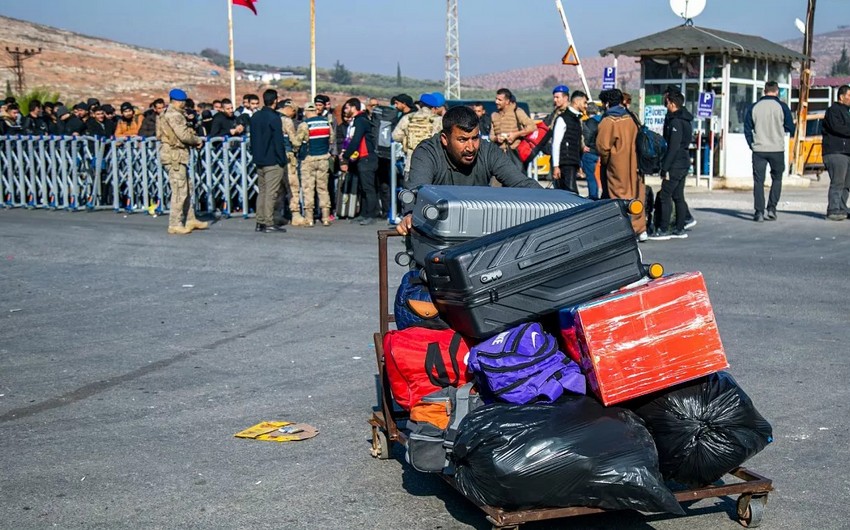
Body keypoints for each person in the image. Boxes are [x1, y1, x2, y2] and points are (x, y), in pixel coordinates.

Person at [395, 106, 541, 235]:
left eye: (475, 138)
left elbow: (522, 183)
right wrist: (409, 214)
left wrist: (554, 201)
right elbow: (417, 192)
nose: (471, 148)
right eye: (463, 140)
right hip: (437, 232)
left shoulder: (488, 151)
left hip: (478, 232)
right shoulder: (427, 152)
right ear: (445, 139)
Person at [156, 88, 208, 235]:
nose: (184, 104)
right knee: (180, 190)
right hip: (174, 155)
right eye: (183, 101)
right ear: (177, 101)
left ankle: (190, 218)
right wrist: (196, 140)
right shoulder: (174, 115)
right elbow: (183, 135)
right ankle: (175, 223)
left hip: (176, 154)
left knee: (187, 187)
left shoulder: (168, 114)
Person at [596, 88, 646, 236]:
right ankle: (640, 229)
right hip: (636, 164)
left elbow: (603, 147)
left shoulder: (609, 121)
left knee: (618, 199)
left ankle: (623, 231)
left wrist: (606, 161)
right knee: (637, 196)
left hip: (617, 166)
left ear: (606, 103)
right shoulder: (632, 118)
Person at [744, 81, 795, 222]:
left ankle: (759, 212)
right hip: (777, 149)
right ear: (777, 91)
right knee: (777, 179)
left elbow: (747, 128)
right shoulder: (782, 107)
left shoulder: (754, 107)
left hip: (759, 149)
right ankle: (772, 208)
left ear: (764, 91)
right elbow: (791, 127)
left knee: (758, 181)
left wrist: (751, 144)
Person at [649, 92, 693, 240]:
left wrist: (665, 167)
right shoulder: (686, 120)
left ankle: (663, 229)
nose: (665, 105)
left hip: (676, 163)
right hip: (684, 161)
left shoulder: (675, 122)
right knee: (678, 195)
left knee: (665, 195)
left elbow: (673, 147)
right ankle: (680, 228)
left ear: (672, 103)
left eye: (666, 102)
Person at [249, 89, 287, 233]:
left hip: (259, 160)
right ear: (275, 100)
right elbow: (278, 141)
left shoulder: (255, 117)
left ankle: (260, 221)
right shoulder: (274, 118)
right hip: (273, 160)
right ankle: (269, 222)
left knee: (262, 192)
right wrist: (282, 160)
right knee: (271, 193)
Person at [340, 98, 379, 225]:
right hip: (360, 158)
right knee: (362, 187)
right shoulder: (358, 120)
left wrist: (345, 156)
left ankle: (371, 215)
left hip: (367, 157)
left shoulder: (360, 121)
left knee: (368, 188)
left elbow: (355, 140)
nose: (345, 111)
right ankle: (363, 213)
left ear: (353, 108)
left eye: (347, 108)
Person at [301, 103, 335, 226]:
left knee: (308, 188)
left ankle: (309, 218)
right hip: (323, 158)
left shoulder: (305, 124)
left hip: (309, 159)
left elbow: (298, 141)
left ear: (306, 111)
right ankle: (325, 217)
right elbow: (331, 139)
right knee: (323, 188)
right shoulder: (326, 122)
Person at [392, 92, 441, 178]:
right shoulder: (438, 120)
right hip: (432, 165)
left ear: (420, 104)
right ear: (433, 107)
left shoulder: (408, 118)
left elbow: (395, 136)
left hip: (410, 165)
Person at [276, 99, 308, 226]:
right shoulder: (286, 120)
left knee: (278, 188)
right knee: (292, 186)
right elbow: (294, 140)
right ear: (290, 109)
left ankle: (276, 214)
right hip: (288, 157)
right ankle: (295, 214)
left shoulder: (272, 118)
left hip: (275, 157)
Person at [822, 85, 850, 220]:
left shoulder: (848, 111)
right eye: (849, 96)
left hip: (847, 152)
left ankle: (842, 208)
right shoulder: (833, 111)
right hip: (836, 151)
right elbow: (837, 128)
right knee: (838, 181)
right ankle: (833, 209)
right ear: (841, 97)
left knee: (847, 183)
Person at [490, 88, 536, 170]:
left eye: (500, 100)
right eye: (496, 99)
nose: (496, 102)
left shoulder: (517, 112)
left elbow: (532, 127)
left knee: (516, 180)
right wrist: (496, 138)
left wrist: (515, 135)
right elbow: (491, 136)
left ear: (507, 101)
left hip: (515, 155)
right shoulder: (494, 115)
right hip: (499, 155)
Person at [551, 90, 587, 193]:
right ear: (577, 102)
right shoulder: (563, 119)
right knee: (571, 193)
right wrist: (556, 166)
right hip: (565, 163)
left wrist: (578, 164)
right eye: (584, 102)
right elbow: (556, 143)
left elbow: (577, 144)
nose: (586, 106)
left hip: (572, 162)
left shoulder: (576, 119)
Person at [581, 102, 603, 199]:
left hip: (590, 152)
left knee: (591, 177)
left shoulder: (587, 123)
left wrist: (585, 145)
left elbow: (587, 136)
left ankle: (593, 196)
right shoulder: (604, 120)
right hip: (602, 152)